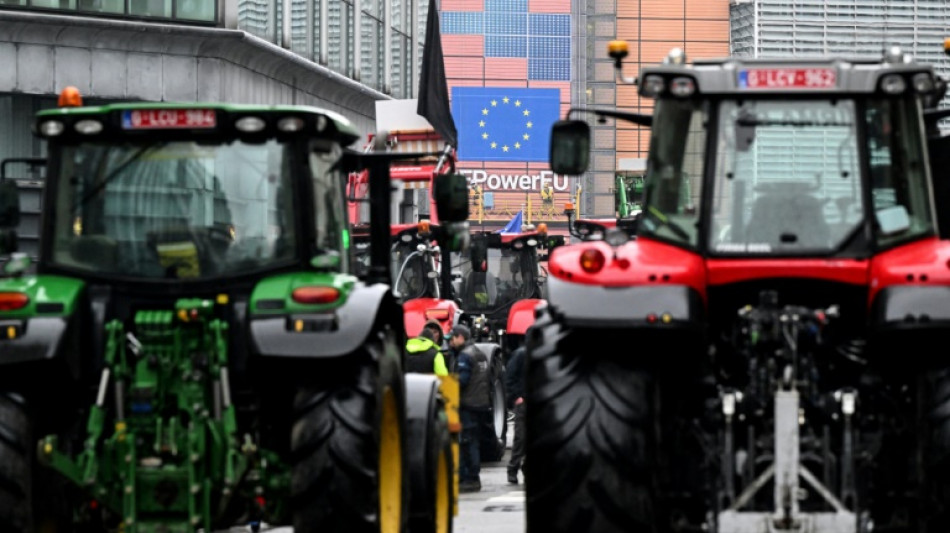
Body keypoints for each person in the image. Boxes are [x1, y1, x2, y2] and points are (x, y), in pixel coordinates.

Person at [448, 324, 490, 493]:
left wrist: (447, 386)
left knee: (467, 442)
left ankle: (471, 479)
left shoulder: (465, 356)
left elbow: (462, 381)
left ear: (460, 337)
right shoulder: (480, 353)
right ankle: (470, 477)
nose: (450, 342)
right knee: (473, 441)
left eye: (452, 338)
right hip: (480, 404)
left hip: (468, 405)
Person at [505, 344, 526, 484]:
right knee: (520, 438)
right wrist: (517, 396)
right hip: (524, 402)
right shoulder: (521, 354)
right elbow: (510, 378)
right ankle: (513, 468)